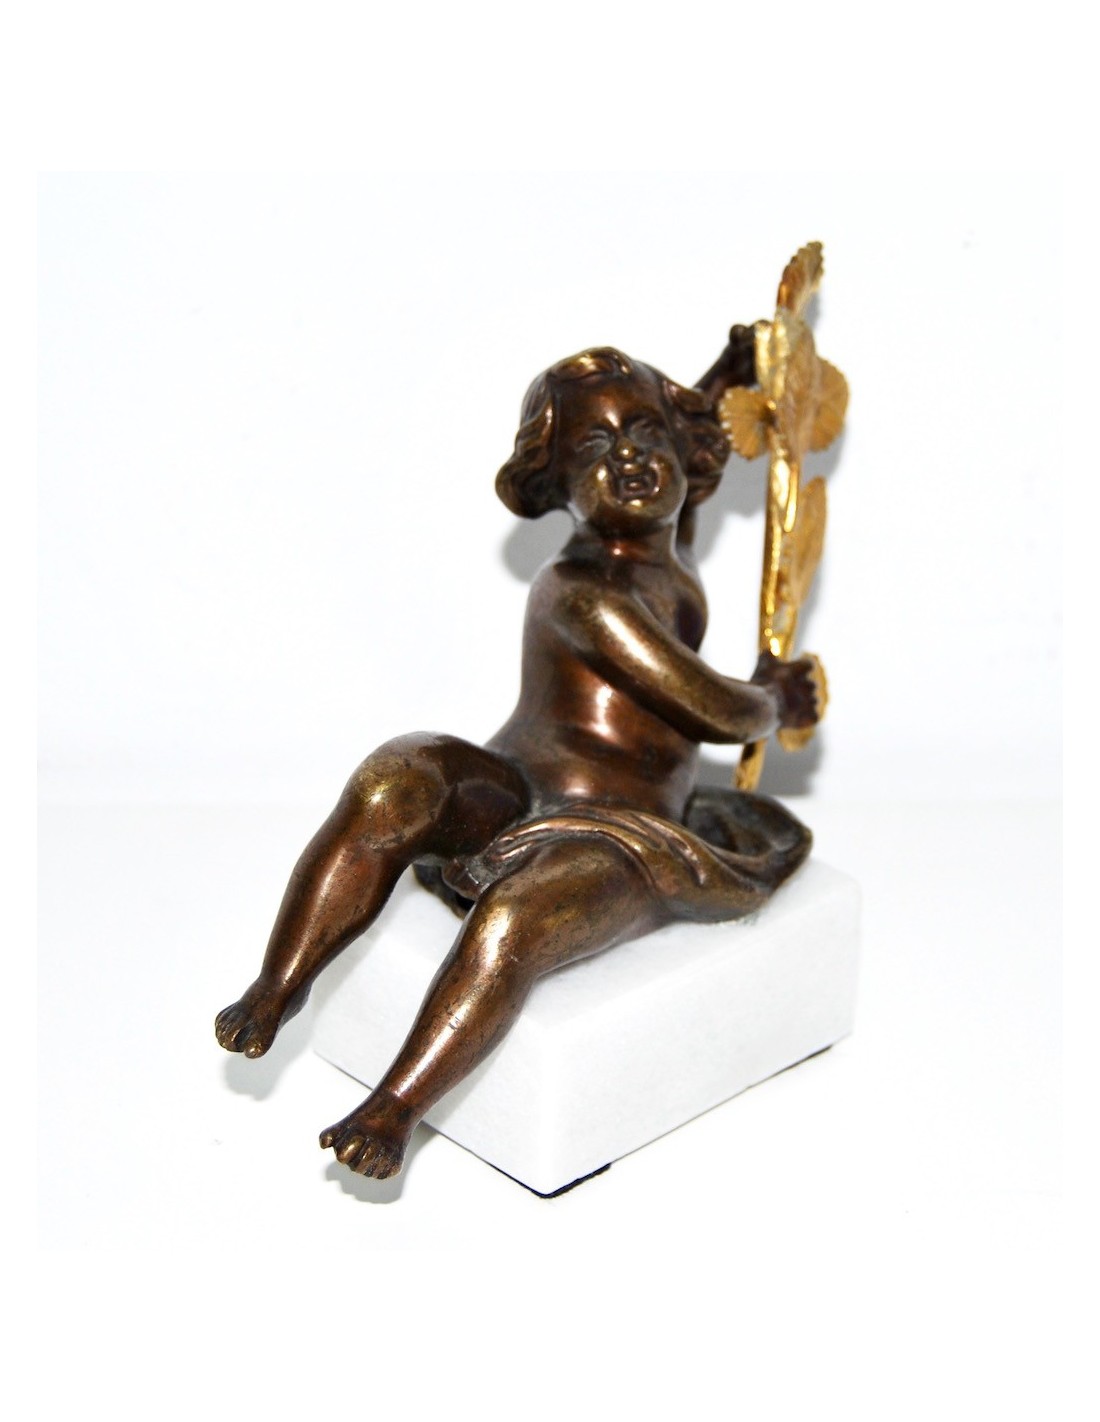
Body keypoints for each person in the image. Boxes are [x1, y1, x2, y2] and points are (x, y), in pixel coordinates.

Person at [215, 333, 823, 1181]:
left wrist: (732, 371)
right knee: (397, 776)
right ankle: (275, 988)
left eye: (648, 433)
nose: (631, 460)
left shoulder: (664, 548)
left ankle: (394, 1110)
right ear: (557, 487)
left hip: (623, 830)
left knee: (517, 919)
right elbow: (718, 710)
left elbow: (675, 463)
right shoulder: (582, 591)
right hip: (516, 787)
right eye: (595, 447)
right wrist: (777, 697)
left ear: (685, 449)